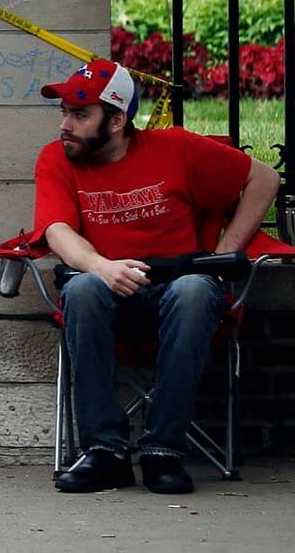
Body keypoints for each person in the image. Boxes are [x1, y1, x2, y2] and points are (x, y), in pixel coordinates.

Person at [33, 60, 280, 495]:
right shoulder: (57, 159)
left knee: (195, 290)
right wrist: (102, 267)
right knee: (82, 288)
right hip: (106, 289)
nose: (65, 126)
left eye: (79, 114)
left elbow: (264, 178)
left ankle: (163, 450)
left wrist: (223, 255)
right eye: (64, 113)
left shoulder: (176, 149)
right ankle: (105, 452)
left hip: (178, 288)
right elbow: (57, 230)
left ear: (116, 120)